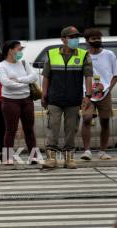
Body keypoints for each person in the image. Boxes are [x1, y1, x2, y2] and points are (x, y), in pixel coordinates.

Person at [41, 26, 93, 169]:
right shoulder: (51, 54)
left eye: (76, 37)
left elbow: (88, 76)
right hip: (54, 98)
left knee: (71, 129)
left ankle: (68, 159)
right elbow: (46, 76)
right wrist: (43, 94)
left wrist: (88, 95)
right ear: (63, 39)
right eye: (71, 37)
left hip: (74, 99)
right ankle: (51, 159)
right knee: (53, 127)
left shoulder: (83, 55)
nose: (75, 40)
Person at [0, 40, 38, 165]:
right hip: (10, 101)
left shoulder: (24, 63)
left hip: (27, 99)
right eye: (19, 49)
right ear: (10, 50)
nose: (21, 52)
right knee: (10, 129)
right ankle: (8, 157)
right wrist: (25, 82)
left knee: (29, 128)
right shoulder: (1, 66)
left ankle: (33, 156)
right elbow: (6, 83)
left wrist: (19, 80)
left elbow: (34, 76)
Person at [80, 28, 116, 161]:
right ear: (87, 41)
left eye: (99, 38)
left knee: (105, 121)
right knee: (87, 118)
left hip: (104, 93)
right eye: (94, 39)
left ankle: (102, 151)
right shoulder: (83, 55)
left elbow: (115, 74)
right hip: (87, 93)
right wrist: (84, 91)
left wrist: (108, 89)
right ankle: (87, 151)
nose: (97, 41)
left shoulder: (109, 55)